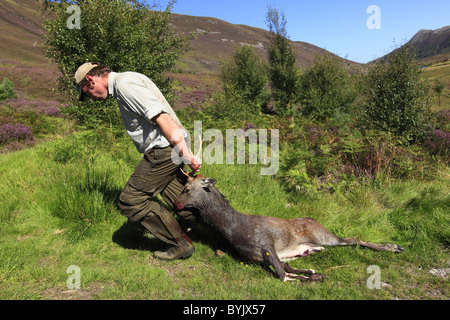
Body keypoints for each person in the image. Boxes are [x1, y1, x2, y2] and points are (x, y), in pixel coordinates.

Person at [74, 62, 201, 260]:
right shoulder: (128, 80)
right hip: (170, 147)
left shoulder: (126, 85)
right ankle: (221, 233)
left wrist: (185, 152)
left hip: (163, 151)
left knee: (131, 201)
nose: (92, 99)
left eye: (87, 94)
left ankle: (180, 244)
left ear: (90, 80)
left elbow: (162, 118)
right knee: (181, 199)